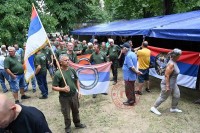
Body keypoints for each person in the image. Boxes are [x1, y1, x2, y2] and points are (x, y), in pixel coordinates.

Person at [52, 54, 86, 133]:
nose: (68, 61)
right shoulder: (58, 74)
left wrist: (79, 91)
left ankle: (77, 123)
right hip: (64, 98)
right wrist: (62, 89)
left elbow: (76, 80)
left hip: (74, 95)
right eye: (65, 60)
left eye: (68, 60)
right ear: (60, 62)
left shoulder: (72, 70)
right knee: (66, 113)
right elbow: (53, 87)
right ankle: (67, 127)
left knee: (76, 110)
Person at [150, 48, 182, 115]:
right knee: (163, 97)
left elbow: (170, 54)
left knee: (177, 95)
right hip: (167, 84)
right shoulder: (171, 64)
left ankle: (173, 108)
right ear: (176, 56)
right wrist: (167, 86)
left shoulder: (173, 60)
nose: (180, 56)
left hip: (173, 84)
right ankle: (154, 108)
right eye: (180, 55)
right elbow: (166, 75)